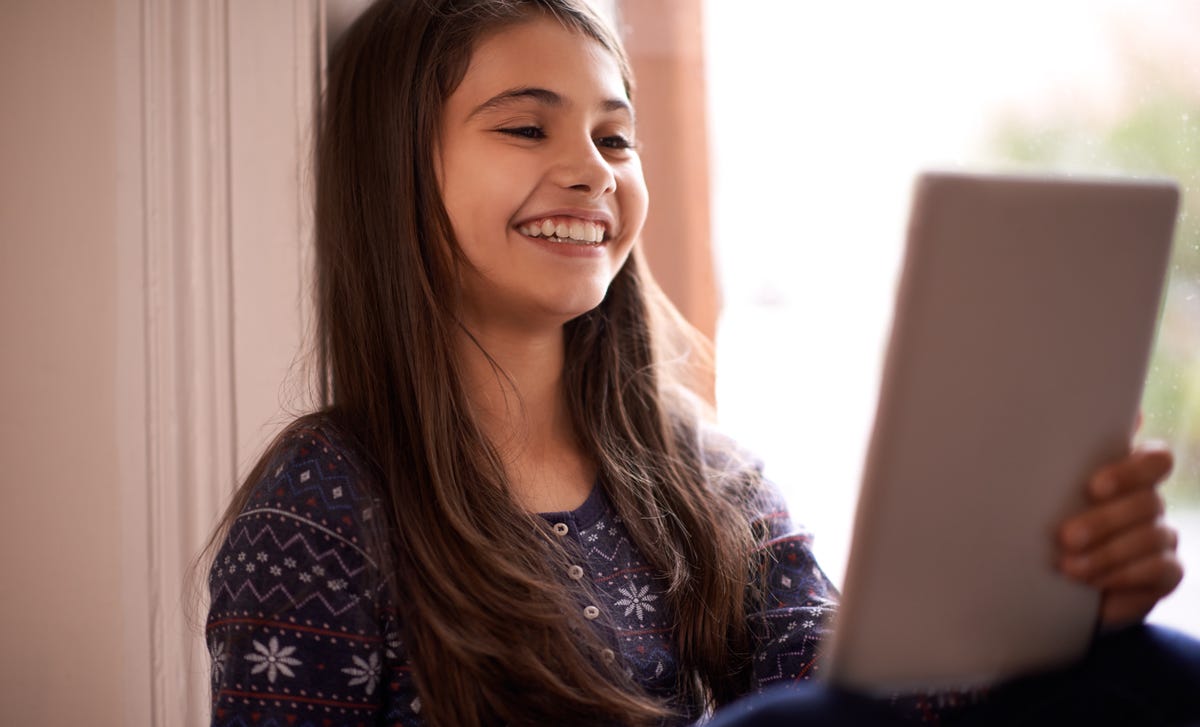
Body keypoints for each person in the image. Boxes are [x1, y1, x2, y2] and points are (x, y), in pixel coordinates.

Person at [203, 1, 1196, 725]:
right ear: (393, 175)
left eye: (615, 135)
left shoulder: (701, 471)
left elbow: (862, 693)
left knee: (1143, 665)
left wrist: (1067, 608)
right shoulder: (319, 509)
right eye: (524, 125)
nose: (594, 167)